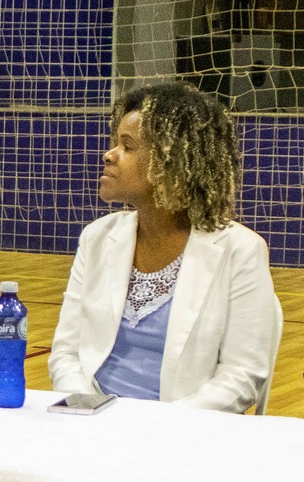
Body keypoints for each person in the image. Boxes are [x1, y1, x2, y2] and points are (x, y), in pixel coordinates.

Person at [48, 82, 281, 409]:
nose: (109, 154)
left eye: (127, 146)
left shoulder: (241, 250)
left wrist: (161, 429)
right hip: (92, 424)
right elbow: (67, 353)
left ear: (173, 163)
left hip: (182, 436)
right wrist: (87, 408)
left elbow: (241, 377)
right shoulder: (96, 237)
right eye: (115, 143)